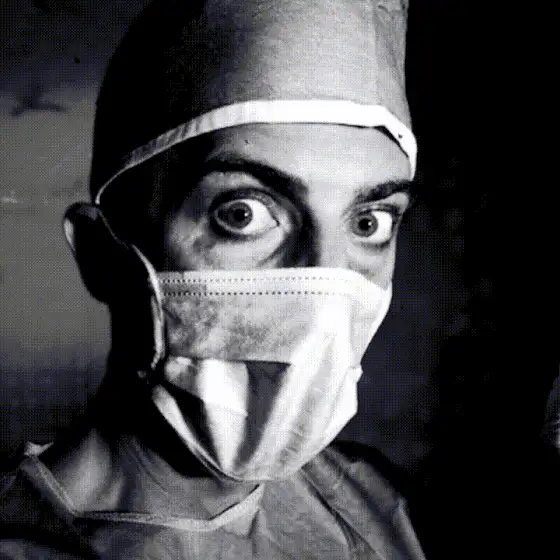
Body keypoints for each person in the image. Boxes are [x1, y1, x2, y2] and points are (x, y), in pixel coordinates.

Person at [0, 0, 426, 558]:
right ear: (101, 255)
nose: (326, 280)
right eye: (242, 213)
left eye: (369, 223)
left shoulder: (382, 510)